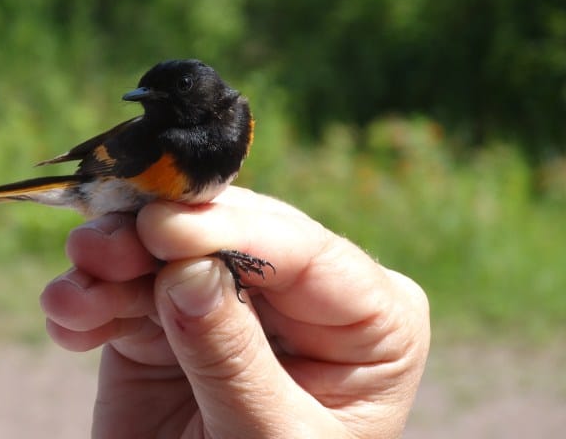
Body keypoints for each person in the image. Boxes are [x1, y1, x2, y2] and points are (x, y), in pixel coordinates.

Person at [40, 186, 431, 438]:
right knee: (169, 240)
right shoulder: (170, 135)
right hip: (127, 203)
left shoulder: (226, 130)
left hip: (158, 230)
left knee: (170, 240)